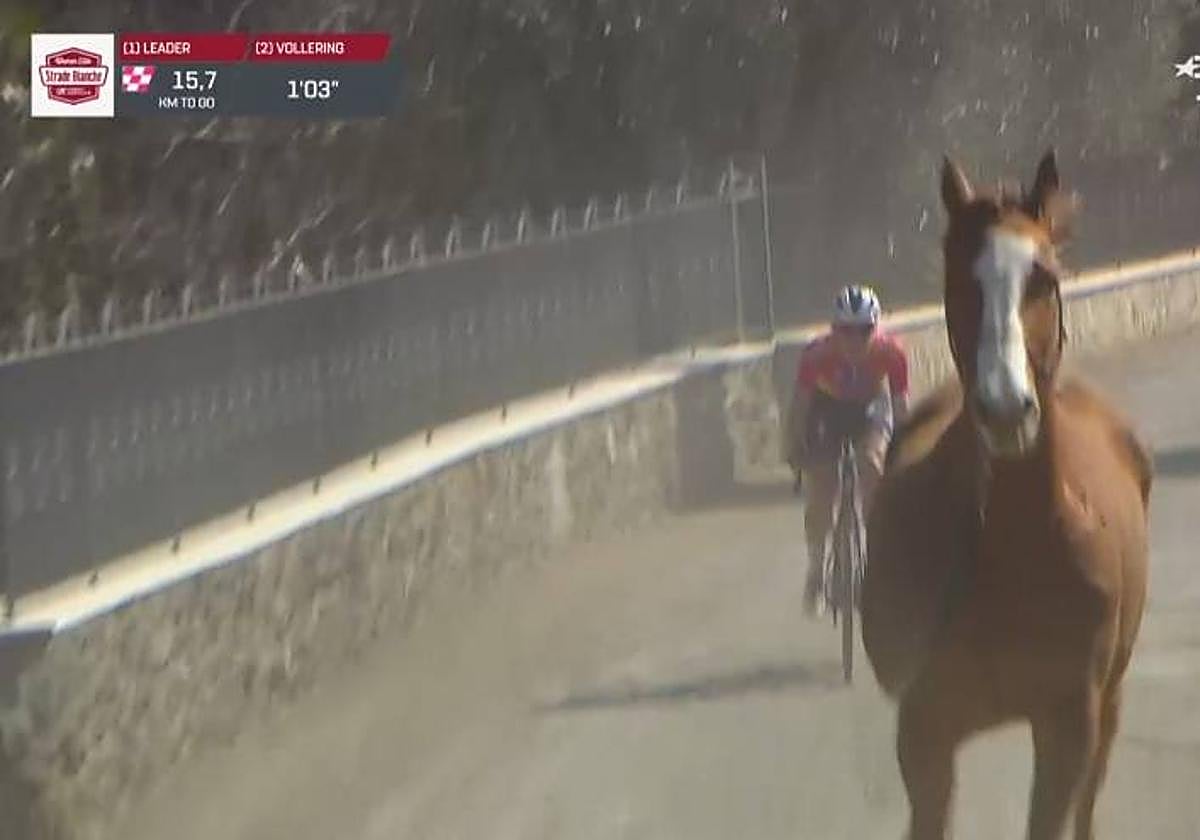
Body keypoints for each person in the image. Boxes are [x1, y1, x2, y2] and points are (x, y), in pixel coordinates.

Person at [784, 284, 909, 615]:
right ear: (833, 329)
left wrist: (902, 452)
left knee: (871, 464)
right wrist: (794, 447)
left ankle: (877, 553)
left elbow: (900, 408)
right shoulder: (816, 355)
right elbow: (800, 407)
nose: (854, 340)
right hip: (827, 409)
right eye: (845, 331)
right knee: (822, 485)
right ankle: (816, 569)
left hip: (871, 407)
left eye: (864, 330)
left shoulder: (892, 353)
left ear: (876, 328)